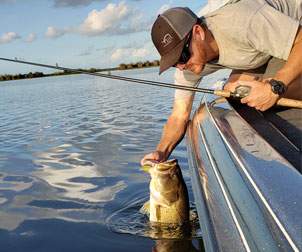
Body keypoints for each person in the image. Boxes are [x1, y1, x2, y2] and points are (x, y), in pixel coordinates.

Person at [141, 0, 302, 166]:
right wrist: (161, 152)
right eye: (173, 62)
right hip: (263, 49)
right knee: (237, 92)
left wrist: (275, 87)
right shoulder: (187, 67)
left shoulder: (242, 22)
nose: (181, 67)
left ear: (198, 32)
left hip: (295, 32)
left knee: (272, 93)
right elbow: (179, 116)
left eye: (182, 57)